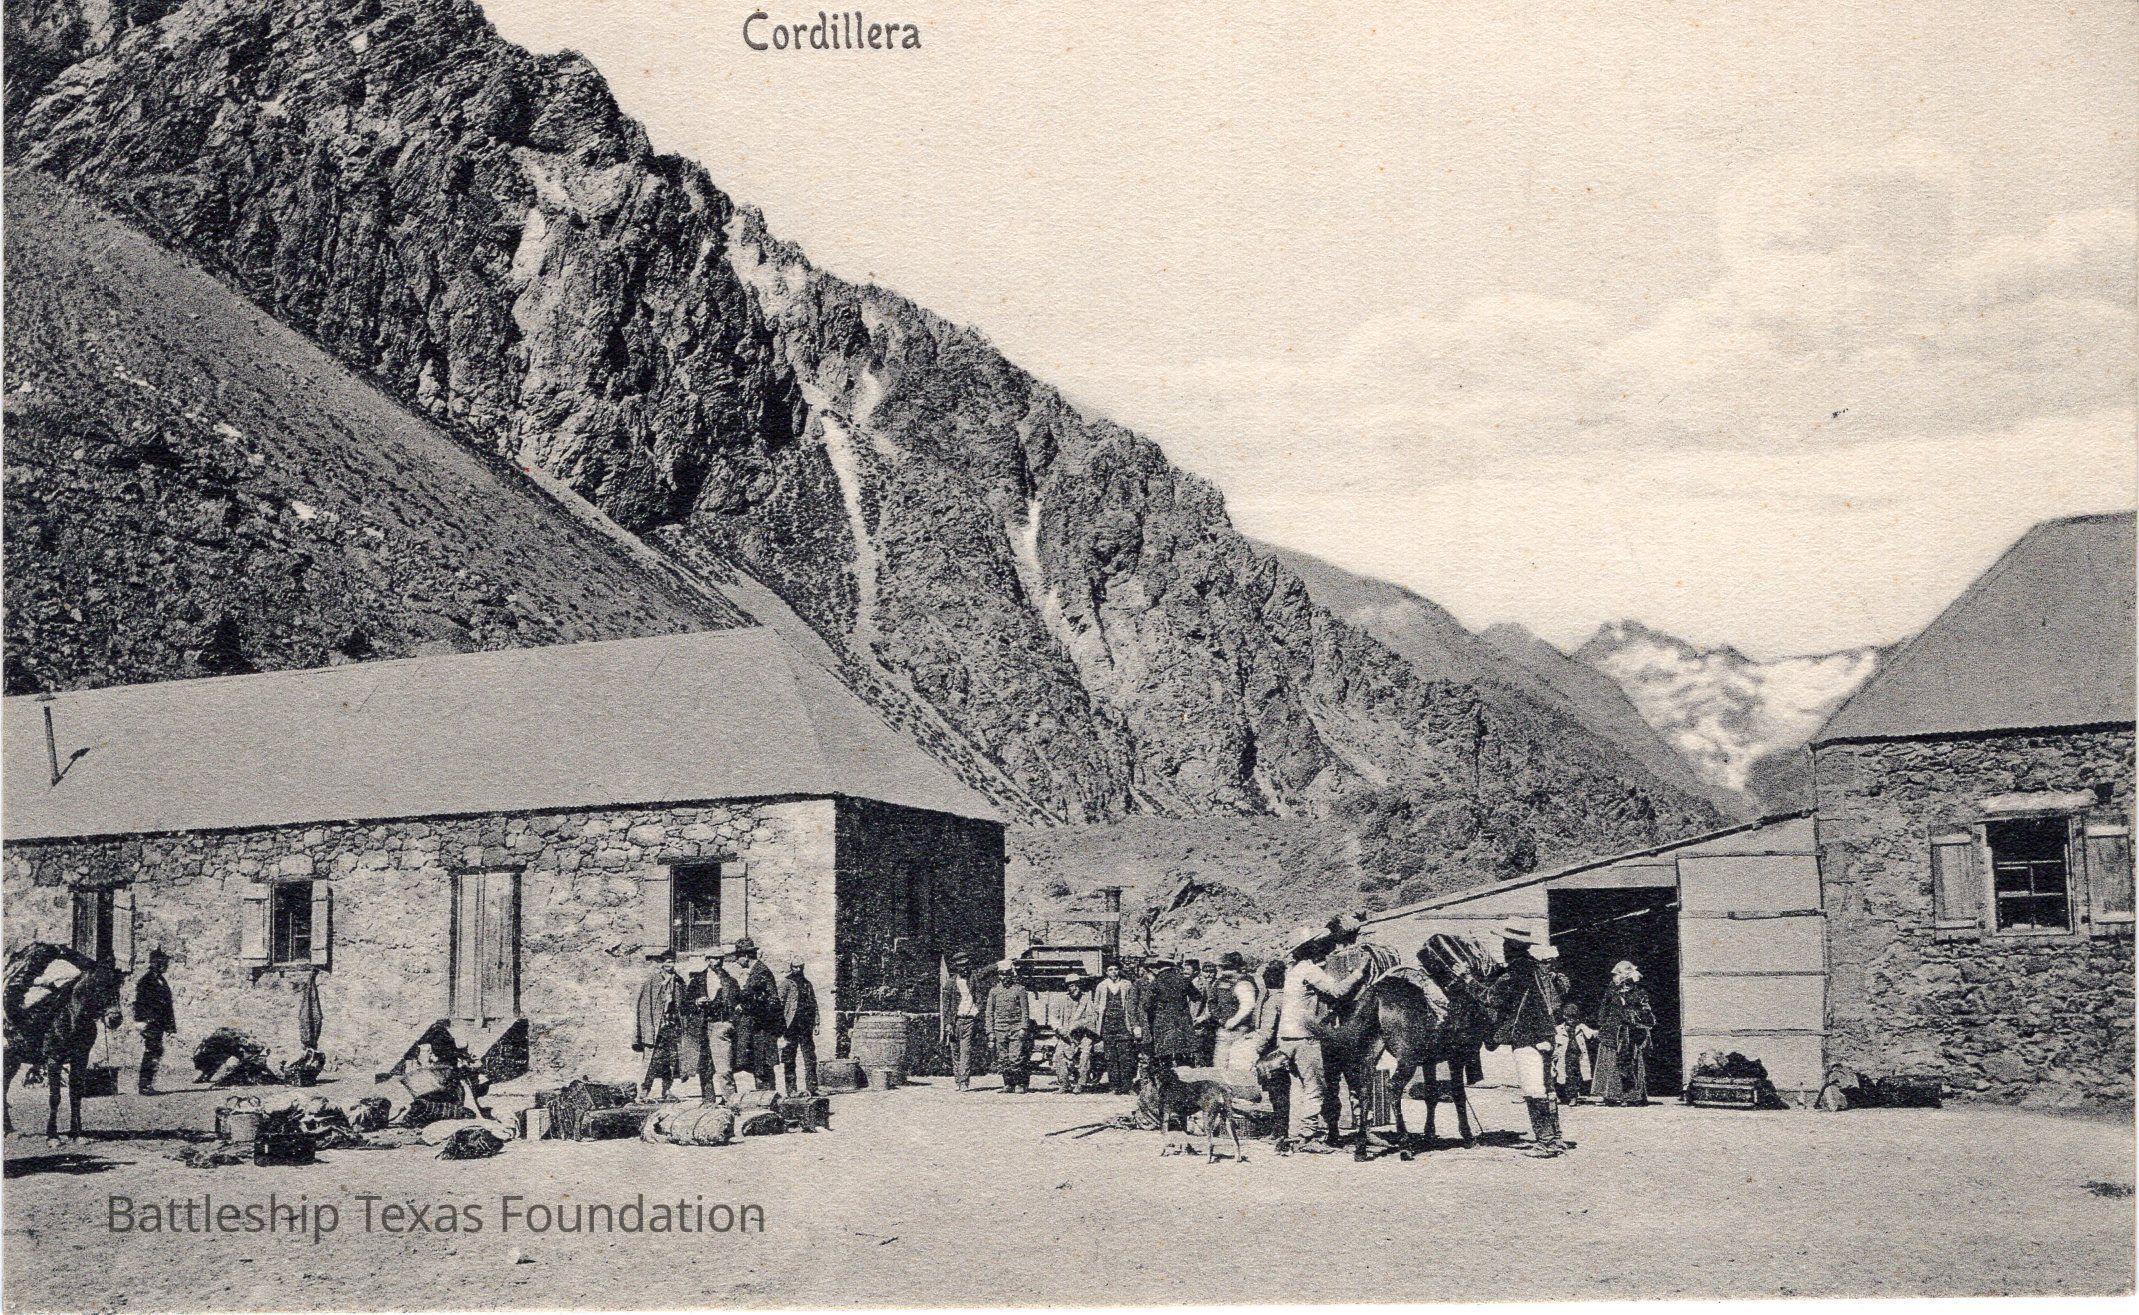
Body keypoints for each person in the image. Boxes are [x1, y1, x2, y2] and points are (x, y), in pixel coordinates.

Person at [1276, 925, 1368, 1152]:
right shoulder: (1309, 970)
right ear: (1310, 948)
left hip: (1286, 1036)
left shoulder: (1294, 971)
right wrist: (1359, 972)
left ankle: (1295, 1134)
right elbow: (1338, 991)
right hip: (1305, 1037)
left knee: (1300, 1088)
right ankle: (1308, 1137)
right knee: (1315, 1089)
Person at [1492, 920, 1570, 1156]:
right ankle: (1556, 1138)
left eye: (1505, 943)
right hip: (1547, 1034)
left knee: (1533, 1089)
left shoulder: (1515, 971)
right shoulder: (1538, 968)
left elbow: (1491, 998)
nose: (1503, 948)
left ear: (1512, 946)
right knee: (1547, 1088)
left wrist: (1466, 980)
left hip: (1527, 1037)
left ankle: (1544, 1143)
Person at [1592, 960, 1657, 1106]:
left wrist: (1635, 1015)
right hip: (1611, 1032)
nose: (1616, 978)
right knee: (1609, 1062)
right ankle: (1610, 1095)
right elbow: (1604, 1009)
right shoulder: (1612, 991)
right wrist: (1603, 1024)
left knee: (1630, 1061)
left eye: (1618, 975)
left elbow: (1646, 1013)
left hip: (1631, 1033)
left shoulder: (1639, 993)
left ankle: (1631, 1096)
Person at [682, 949, 739, 1101]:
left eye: (721, 959)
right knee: (704, 1067)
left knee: (724, 1068)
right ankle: (708, 1101)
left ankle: (731, 1101)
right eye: (714, 958)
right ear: (707, 960)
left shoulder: (730, 981)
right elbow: (684, 1005)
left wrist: (730, 1022)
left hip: (720, 1026)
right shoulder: (697, 980)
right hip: (701, 1027)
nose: (718, 962)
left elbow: (738, 1004)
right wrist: (696, 1002)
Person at [728, 937, 781, 1091]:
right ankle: (763, 1095)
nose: (736, 961)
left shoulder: (761, 972)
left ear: (746, 956)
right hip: (757, 1027)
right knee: (759, 1065)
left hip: (762, 1028)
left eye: (738, 957)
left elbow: (772, 1000)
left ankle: (767, 1096)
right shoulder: (755, 971)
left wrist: (745, 1007)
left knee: (763, 1065)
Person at [632, 947, 683, 1101]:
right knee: (651, 1060)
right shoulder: (652, 981)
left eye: (673, 962)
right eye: (668, 962)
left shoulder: (678, 981)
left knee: (671, 1059)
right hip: (656, 1027)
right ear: (662, 963)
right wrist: (647, 1028)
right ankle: (644, 1091)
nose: (671, 965)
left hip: (671, 1025)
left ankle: (667, 1090)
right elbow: (644, 1006)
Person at [1139, 955, 1200, 1079]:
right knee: (1183, 1055)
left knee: (1165, 1058)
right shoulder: (1184, 980)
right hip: (1182, 1024)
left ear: (1160, 967)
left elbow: (1146, 1005)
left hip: (1163, 1024)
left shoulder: (1156, 982)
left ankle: (1169, 1083)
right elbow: (1197, 997)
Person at [132, 948, 178, 1094]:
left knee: (156, 1051)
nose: (166, 966)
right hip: (150, 1023)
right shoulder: (146, 981)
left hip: (159, 1023)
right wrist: (143, 1021)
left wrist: (170, 1026)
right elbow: (139, 1003)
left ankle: (148, 1083)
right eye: (164, 963)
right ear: (156, 964)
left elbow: (167, 1005)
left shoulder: (161, 980)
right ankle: (144, 1085)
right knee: (152, 1051)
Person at [986, 960, 1034, 1092]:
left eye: (1007, 974)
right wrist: (990, 1031)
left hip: (1016, 1028)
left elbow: (1025, 1010)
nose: (1004, 977)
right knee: (1003, 1058)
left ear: (1011, 974)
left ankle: (1019, 1083)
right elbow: (989, 1012)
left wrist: (1024, 1027)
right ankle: (1008, 1083)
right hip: (1000, 1028)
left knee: (1016, 1057)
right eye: (1001, 974)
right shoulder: (994, 991)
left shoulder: (1019, 989)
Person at [776, 957, 819, 1098]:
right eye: (795, 967)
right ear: (791, 967)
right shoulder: (786, 983)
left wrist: (816, 1023)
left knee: (810, 1057)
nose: (798, 969)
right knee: (789, 1058)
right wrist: (780, 1025)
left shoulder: (807, 984)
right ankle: (791, 1090)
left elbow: (814, 1004)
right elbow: (779, 1004)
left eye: (800, 967)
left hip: (806, 1026)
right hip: (791, 1026)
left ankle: (812, 1087)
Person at [941, 952, 984, 1091]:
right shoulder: (950, 983)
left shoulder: (973, 979)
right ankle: (958, 1080)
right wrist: (948, 1023)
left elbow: (979, 997)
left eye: (966, 965)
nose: (964, 968)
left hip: (969, 1020)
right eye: (961, 966)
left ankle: (964, 1081)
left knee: (966, 1051)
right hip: (955, 1021)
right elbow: (946, 1006)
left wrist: (977, 1010)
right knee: (955, 1052)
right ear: (956, 967)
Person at [1095, 960, 1139, 1094]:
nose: (1113, 972)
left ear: (1119, 970)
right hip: (1108, 1025)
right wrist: (1101, 1012)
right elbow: (1096, 1004)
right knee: (1110, 1057)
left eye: (1115, 969)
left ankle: (1127, 1086)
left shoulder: (1127, 984)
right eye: (1110, 970)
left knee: (1126, 1057)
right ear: (1106, 972)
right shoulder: (1101, 986)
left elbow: (1132, 1003)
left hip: (1123, 1025)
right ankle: (1114, 1086)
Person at [1053, 975, 1101, 1093]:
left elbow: (1092, 1017)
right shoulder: (1061, 1000)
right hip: (1066, 1036)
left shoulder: (1086, 1000)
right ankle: (1064, 1084)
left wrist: (1079, 1024)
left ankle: (1081, 1084)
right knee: (1058, 1055)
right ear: (1067, 987)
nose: (1075, 988)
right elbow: (1053, 1017)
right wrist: (1059, 1028)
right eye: (1072, 985)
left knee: (1085, 1055)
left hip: (1084, 1035)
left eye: (1077, 985)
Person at [1217, 951, 1261, 1070]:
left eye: (1226, 968)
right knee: (1223, 1065)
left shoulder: (1243, 983)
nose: (1223, 972)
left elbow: (1248, 1005)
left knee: (1234, 1066)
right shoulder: (1227, 982)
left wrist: (1233, 1021)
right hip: (1228, 1028)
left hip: (1239, 1029)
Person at [1554, 1000, 1597, 1105]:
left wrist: (1598, 1032)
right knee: (1561, 1075)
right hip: (1564, 1055)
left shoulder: (1581, 1027)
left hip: (1577, 1055)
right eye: (1570, 1018)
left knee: (1574, 1075)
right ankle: (1562, 1096)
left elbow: (1591, 1034)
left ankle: (1573, 1096)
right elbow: (1555, 1042)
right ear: (1564, 1016)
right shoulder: (1559, 1029)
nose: (1572, 1020)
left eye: (1574, 1018)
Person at [1191, 959, 1223, 1066]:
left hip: (1211, 1020)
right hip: (1198, 1020)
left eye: (1211, 972)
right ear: (1202, 972)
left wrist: (1206, 1016)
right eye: (1206, 972)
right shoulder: (1196, 983)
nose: (1209, 974)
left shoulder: (1218, 984)